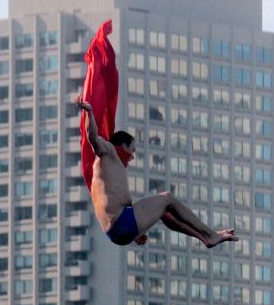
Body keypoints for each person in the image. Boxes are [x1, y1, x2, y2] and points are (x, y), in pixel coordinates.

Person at [74, 94, 238, 248]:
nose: (132, 156)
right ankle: (209, 235)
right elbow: (93, 138)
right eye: (132, 150)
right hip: (121, 222)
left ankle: (205, 238)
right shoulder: (107, 151)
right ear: (122, 146)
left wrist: (138, 229)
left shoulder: (108, 169)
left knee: (165, 212)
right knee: (167, 198)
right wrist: (88, 111)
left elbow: (113, 202)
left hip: (118, 228)